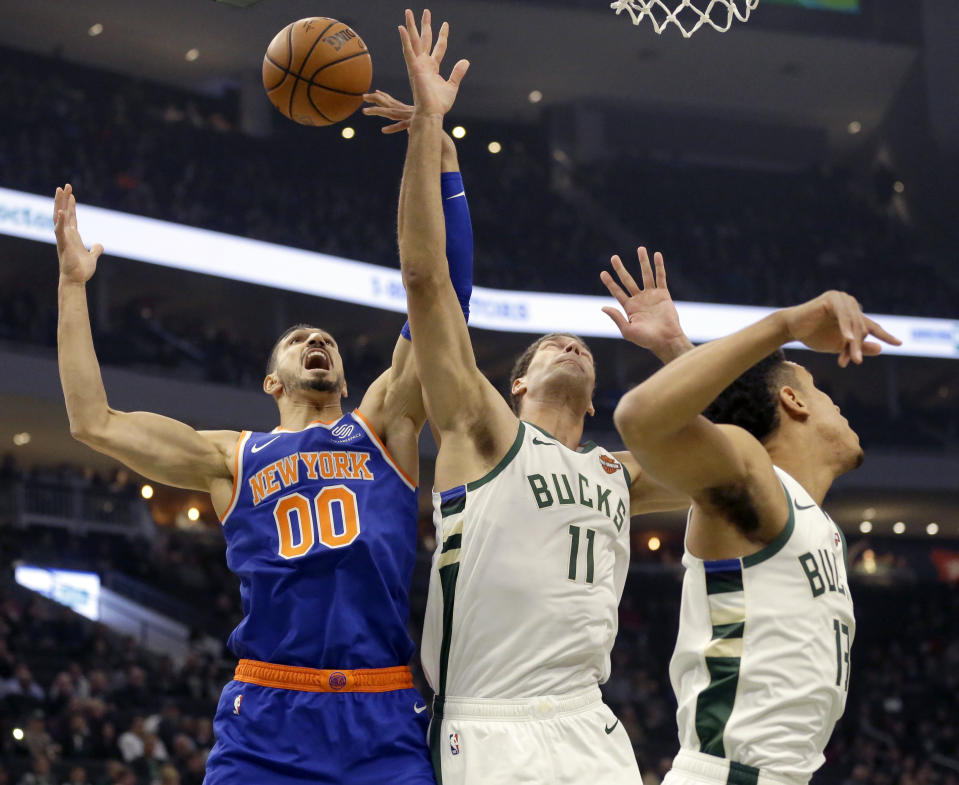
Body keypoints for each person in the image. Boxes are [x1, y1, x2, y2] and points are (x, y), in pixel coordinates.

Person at [52, 113, 475, 785]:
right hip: (270, 715)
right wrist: (73, 286)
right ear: (272, 379)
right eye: (301, 337)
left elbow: (441, 299)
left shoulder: (386, 423)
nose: (319, 341)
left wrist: (441, 156)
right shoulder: (233, 456)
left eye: (328, 339)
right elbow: (92, 421)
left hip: (382, 711)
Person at [389, 10, 691, 784]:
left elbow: (740, 463)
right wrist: (431, 130)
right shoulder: (483, 430)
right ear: (514, 382)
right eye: (549, 345)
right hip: (488, 723)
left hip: (589, 722)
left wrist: (672, 351)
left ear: (594, 402)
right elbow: (427, 281)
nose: (572, 342)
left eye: (583, 344)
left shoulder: (617, 472)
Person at [612, 292, 900, 785]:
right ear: (793, 400)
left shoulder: (802, 513)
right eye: (823, 390)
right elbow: (639, 418)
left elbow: (728, 420)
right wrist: (787, 325)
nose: (840, 403)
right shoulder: (757, 484)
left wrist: (678, 346)